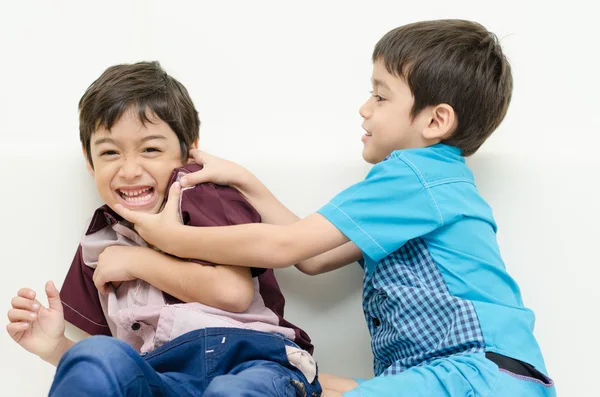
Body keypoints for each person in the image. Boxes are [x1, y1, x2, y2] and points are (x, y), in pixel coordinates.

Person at [113, 20, 557, 397]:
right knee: (296, 381)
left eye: (381, 97)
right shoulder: (429, 183)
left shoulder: (412, 175)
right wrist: (245, 181)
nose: (364, 109)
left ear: (435, 121)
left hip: (477, 374)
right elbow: (314, 256)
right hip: (456, 375)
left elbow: (287, 245)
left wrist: (168, 238)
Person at [6, 61, 322, 397]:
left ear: (188, 151)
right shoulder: (99, 240)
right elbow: (118, 366)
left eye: (150, 149)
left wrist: (136, 263)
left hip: (253, 362)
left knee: (231, 393)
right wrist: (55, 349)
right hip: (165, 380)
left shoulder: (200, 194)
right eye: (110, 152)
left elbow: (233, 292)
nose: (129, 170)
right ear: (89, 160)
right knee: (93, 355)